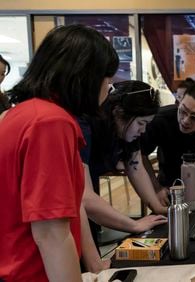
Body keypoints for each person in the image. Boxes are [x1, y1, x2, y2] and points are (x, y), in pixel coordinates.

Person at [0, 24, 119, 281]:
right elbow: (51, 233)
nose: (106, 92)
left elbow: (71, 208)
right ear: (87, 78)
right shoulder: (51, 123)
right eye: (107, 82)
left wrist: (94, 264)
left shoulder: (21, 114)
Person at [79, 80, 169, 259]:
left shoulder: (125, 132)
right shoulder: (86, 127)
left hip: (84, 200)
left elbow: (136, 168)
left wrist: (158, 208)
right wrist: (133, 225)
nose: (143, 130)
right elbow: (83, 197)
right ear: (119, 114)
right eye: (141, 123)